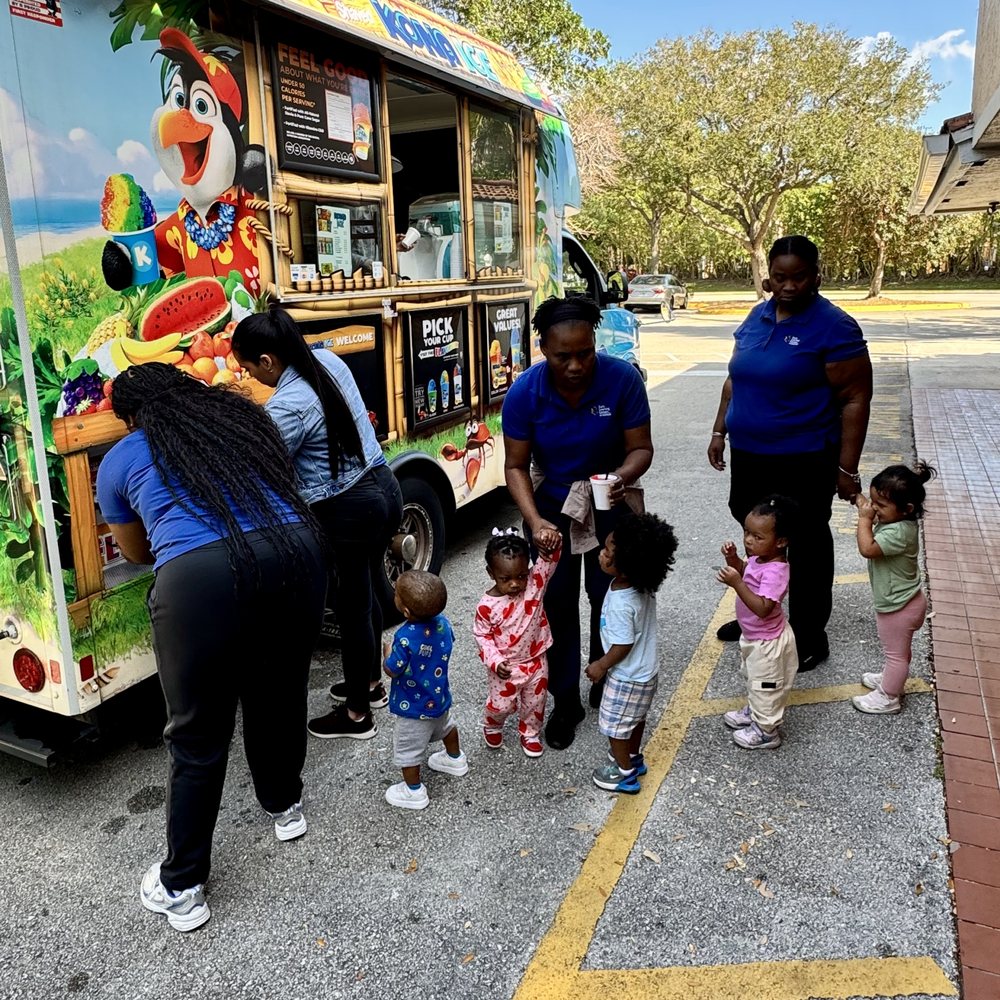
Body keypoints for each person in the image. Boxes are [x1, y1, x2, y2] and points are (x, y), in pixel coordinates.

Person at [96, 362, 326, 932]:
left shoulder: (125, 455)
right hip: (296, 551)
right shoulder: (242, 420)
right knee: (279, 691)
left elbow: (139, 550)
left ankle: (182, 886)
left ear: (131, 415)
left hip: (199, 578)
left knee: (197, 734)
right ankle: (285, 806)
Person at [232, 310, 403, 741]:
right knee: (366, 588)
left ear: (268, 361)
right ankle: (370, 682)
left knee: (353, 607)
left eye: (248, 367)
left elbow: (260, 465)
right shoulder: (326, 360)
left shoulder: (288, 405)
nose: (248, 374)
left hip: (348, 508)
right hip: (383, 484)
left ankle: (358, 716)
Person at [707, 235, 872, 672]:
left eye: (799, 277)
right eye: (779, 277)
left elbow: (856, 398)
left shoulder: (835, 327)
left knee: (806, 543)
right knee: (759, 535)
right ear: (769, 278)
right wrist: (719, 430)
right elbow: (735, 378)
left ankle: (810, 632)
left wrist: (846, 468)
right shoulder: (756, 316)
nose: (789, 286)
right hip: (751, 454)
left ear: (816, 275)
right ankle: (759, 614)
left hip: (804, 457)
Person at [503, 295, 653, 750]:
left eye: (584, 352)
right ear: (543, 349)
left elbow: (641, 449)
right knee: (558, 605)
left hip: (611, 503)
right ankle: (565, 699)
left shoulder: (622, 379)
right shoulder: (525, 392)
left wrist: (621, 478)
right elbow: (514, 466)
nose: (574, 365)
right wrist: (535, 521)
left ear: (595, 342)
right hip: (553, 509)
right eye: (561, 355)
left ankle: (605, 680)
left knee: (611, 600)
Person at [586, 512, 677, 793]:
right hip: (646, 673)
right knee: (635, 719)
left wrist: (601, 665)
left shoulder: (622, 603)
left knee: (615, 726)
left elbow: (623, 644)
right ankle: (634, 758)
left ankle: (623, 772)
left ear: (623, 564)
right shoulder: (642, 585)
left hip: (627, 677)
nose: (601, 553)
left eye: (606, 551)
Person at [852, 462, 935, 715]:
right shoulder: (900, 520)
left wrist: (864, 520)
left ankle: (889, 696)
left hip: (898, 607)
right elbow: (871, 507)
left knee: (896, 656)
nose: (874, 508)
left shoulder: (898, 532)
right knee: (898, 653)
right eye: (873, 501)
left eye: (881, 505)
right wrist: (857, 496)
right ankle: (891, 679)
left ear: (907, 509)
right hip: (907, 601)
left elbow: (868, 549)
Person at [717, 496, 798, 750]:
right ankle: (755, 711)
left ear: (781, 542)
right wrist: (734, 561)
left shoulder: (776, 571)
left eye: (757, 537)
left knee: (767, 685)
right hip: (754, 636)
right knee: (753, 677)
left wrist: (737, 584)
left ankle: (767, 731)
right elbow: (746, 571)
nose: (749, 541)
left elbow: (764, 608)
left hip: (768, 642)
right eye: (746, 532)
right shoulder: (760, 558)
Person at [382, 570, 466, 810]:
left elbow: (392, 669)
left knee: (408, 748)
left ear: (406, 611)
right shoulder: (443, 623)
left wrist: (387, 652)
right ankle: (454, 758)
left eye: (397, 594)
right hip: (438, 697)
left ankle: (413, 791)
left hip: (413, 706)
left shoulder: (405, 637)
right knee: (447, 726)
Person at [474, 528, 560, 757]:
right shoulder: (486, 606)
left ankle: (530, 732)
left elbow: (551, 558)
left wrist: (552, 539)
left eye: (521, 576)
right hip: (506, 667)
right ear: (491, 573)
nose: (514, 584)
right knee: (501, 704)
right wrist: (495, 661)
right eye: (506, 578)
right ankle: (492, 724)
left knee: (535, 702)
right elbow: (482, 636)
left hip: (536, 659)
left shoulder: (535, 584)